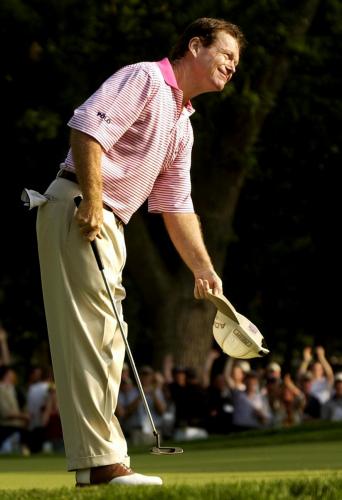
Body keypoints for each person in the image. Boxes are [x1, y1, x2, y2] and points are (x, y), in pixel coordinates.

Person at [34, 17, 245, 487]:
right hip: (81, 208)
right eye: (227, 55)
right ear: (195, 46)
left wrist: (203, 268)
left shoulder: (182, 123)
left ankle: (97, 469)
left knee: (107, 338)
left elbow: (175, 204)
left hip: (107, 218)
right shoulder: (145, 79)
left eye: (236, 62)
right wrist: (90, 199)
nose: (233, 67)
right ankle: (103, 465)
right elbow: (88, 128)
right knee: (95, 337)